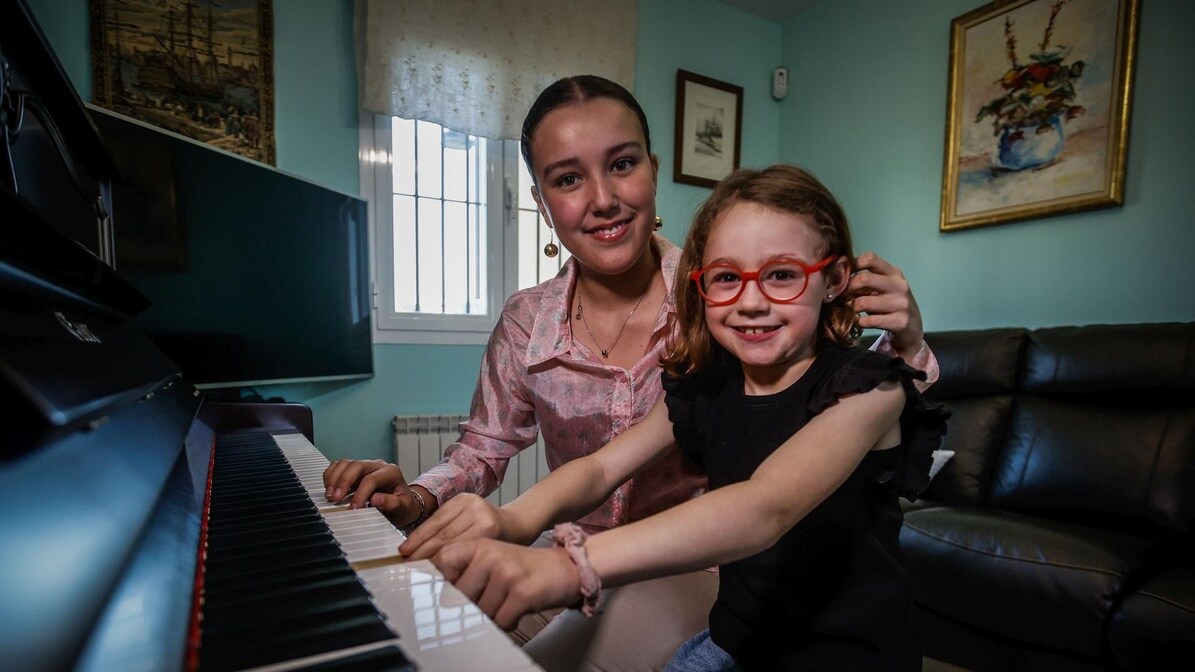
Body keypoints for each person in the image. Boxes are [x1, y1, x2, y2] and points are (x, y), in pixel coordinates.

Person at [322, 76, 939, 670]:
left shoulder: (739, 334)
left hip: (710, 576)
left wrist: (907, 343)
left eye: (621, 164)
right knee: (434, 627)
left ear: (653, 167)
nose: (602, 199)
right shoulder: (688, 361)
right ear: (541, 202)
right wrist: (474, 513)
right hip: (612, 564)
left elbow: (765, 504)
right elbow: (587, 466)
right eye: (568, 179)